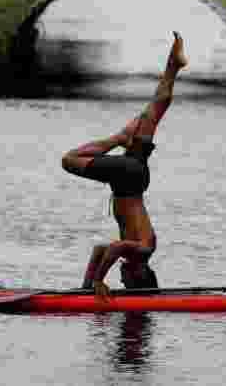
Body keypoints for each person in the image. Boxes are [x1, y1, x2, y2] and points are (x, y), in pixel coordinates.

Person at [61, 31, 188, 300]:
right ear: (138, 276)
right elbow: (117, 248)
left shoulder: (140, 251)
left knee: (152, 112)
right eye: (126, 281)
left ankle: (173, 66)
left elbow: (101, 250)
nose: (121, 278)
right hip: (128, 179)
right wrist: (99, 281)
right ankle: (118, 139)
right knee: (69, 160)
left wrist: (87, 288)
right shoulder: (143, 251)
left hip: (133, 176)